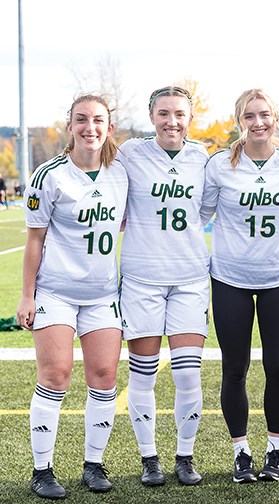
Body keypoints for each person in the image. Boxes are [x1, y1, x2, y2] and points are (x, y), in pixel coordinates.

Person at [17, 94, 127, 499]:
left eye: (98, 120)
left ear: (109, 127)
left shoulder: (121, 173)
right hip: (56, 292)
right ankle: (42, 470)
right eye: (81, 120)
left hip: (102, 294)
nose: (90, 127)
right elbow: (34, 241)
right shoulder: (50, 175)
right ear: (70, 127)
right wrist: (27, 296)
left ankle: (93, 465)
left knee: (104, 378)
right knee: (56, 376)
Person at [200, 89, 279, 483]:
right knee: (235, 368)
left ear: (275, 118)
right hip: (229, 278)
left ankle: (275, 450)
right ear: (239, 120)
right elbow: (200, 216)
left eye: (264, 115)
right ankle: (241, 452)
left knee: (278, 367)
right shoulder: (219, 166)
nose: (258, 122)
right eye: (250, 115)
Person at [118, 86, 209, 487]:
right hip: (141, 279)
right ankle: (149, 458)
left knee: (189, 375)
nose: (172, 121)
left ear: (191, 118)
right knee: (144, 374)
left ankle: (185, 457)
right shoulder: (131, 153)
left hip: (189, 277)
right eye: (164, 113)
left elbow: (204, 210)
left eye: (179, 114)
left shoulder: (201, 157)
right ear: (151, 115)